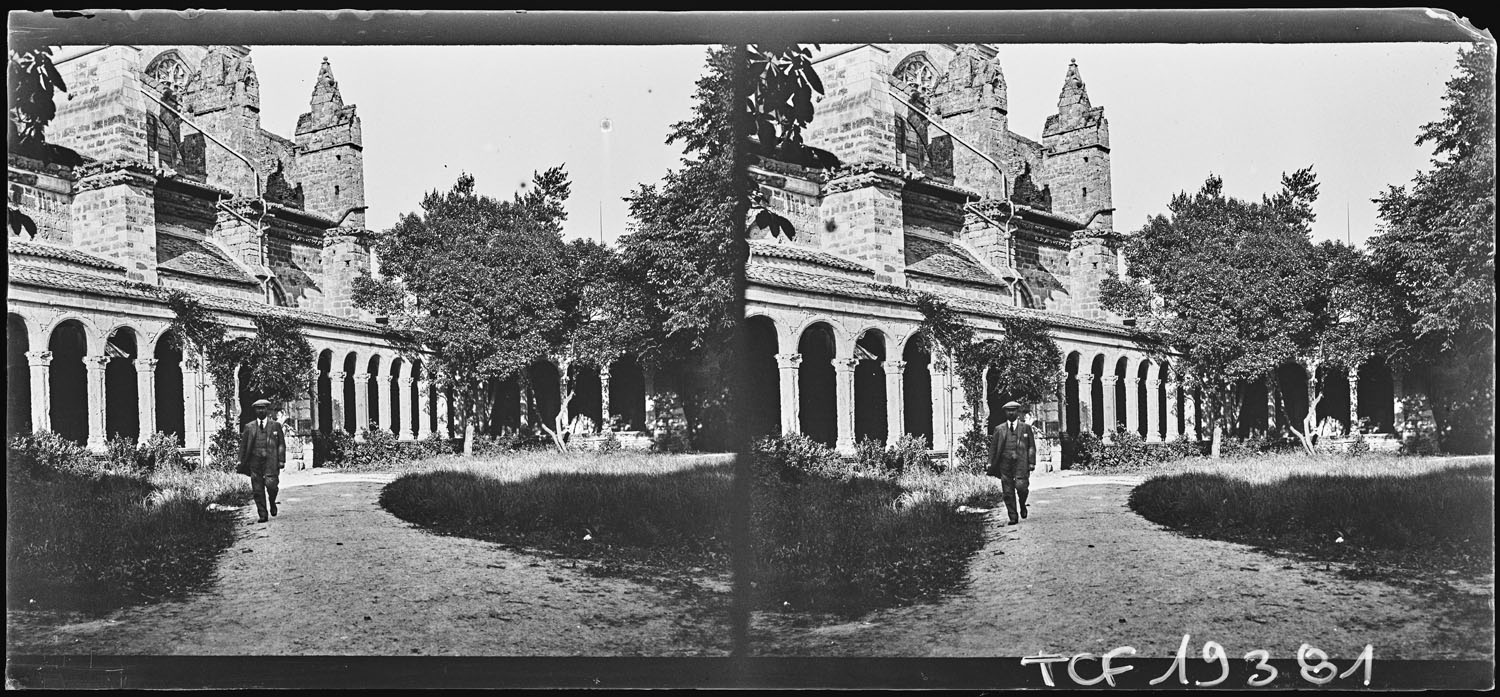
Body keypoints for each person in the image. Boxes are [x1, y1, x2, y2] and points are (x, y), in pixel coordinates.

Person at [987, 400, 1037, 525]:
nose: (1011, 413)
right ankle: (1013, 516)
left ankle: (1022, 504)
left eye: (1013, 410)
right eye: (1008, 411)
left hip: (1021, 462)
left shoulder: (1026, 428)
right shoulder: (999, 429)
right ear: (1005, 412)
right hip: (1005, 463)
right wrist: (990, 462)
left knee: (1022, 487)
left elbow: (1031, 446)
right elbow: (993, 448)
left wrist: (1031, 462)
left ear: (1018, 412)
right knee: (1008, 492)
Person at [238, 398, 286, 523]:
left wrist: (281, 460)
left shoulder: (275, 425)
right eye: (258, 408)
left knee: (272, 485)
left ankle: (272, 501)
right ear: (255, 410)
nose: (261, 410)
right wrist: (240, 460)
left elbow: (281, 443)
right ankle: (262, 514)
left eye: (263, 408)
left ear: (267, 410)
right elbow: (243, 446)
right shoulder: (249, 427)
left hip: (271, 460)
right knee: (257, 489)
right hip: (255, 461)